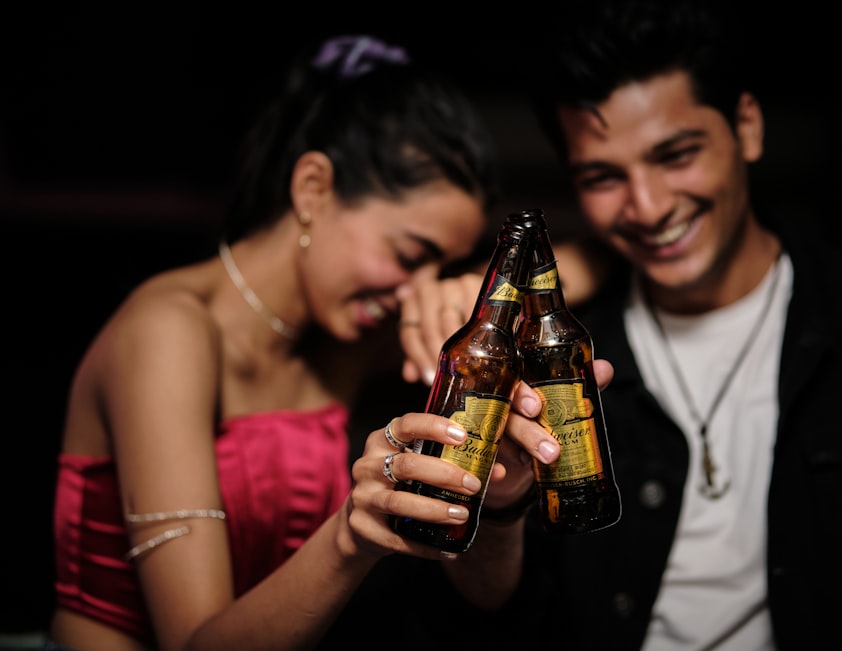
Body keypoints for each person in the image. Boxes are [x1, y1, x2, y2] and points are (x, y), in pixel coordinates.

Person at [396, 0, 842, 649]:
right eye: (602, 177)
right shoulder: (554, 354)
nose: (647, 206)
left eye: (675, 154)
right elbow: (498, 616)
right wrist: (498, 506)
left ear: (748, 127)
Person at [45, 34, 568, 651]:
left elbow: (596, 262)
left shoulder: (344, 339)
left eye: (444, 267)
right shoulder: (168, 331)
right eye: (410, 255)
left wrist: (457, 292)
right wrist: (351, 536)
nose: (415, 293)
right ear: (313, 188)